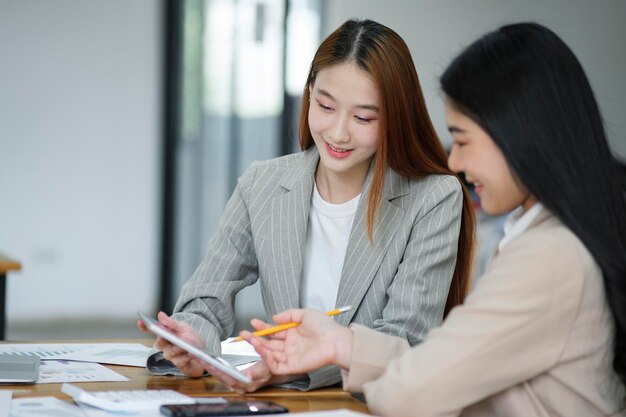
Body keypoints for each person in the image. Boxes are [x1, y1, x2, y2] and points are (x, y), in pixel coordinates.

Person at [242, 22, 626, 416]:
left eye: (462, 140)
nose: (454, 162)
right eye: (325, 106)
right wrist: (340, 345)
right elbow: (440, 363)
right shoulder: (549, 240)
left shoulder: (549, 259)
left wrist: (344, 352)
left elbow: (410, 390)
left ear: (521, 136)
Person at [139, 19, 475, 392]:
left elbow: (406, 340)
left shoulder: (434, 198)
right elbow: (207, 295)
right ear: (308, 94)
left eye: (364, 117)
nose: (338, 132)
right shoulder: (261, 184)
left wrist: (300, 367)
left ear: (396, 117)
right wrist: (195, 340)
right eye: (326, 106)